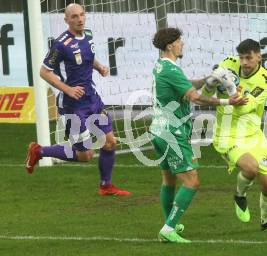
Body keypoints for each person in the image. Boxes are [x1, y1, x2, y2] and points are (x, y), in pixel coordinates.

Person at [151, 27, 247, 243]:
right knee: (192, 182)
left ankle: (170, 223)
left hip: (159, 129)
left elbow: (186, 86)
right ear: (170, 46)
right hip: (172, 132)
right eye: (179, 41)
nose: (182, 44)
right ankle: (168, 229)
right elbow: (195, 98)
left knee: (168, 179)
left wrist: (209, 79)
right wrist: (227, 101)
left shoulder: (162, 66)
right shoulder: (171, 70)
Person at [25, 3, 130, 196]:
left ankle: (106, 186)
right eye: (74, 16)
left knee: (110, 142)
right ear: (66, 20)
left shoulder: (88, 34)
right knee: (85, 155)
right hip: (73, 106)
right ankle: (39, 151)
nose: (79, 19)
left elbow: (88, 56)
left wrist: (99, 67)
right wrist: (68, 89)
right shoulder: (60, 44)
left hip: (92, 98)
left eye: (82, 15)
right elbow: (43, 72)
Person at [202, 39, 267, 232]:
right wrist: (210, 82)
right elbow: (204, 95)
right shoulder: (227, 64)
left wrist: (233, 92)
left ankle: (266, 222)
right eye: (241, 58)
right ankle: (240, 195)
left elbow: (246, 107)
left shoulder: (265, 80)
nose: (244, 63)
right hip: (227, 135)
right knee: (251, 168)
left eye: (249, 58)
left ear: (259, 56)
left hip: (254, 135)